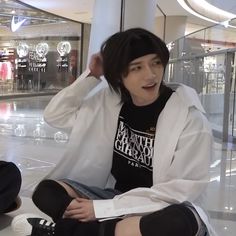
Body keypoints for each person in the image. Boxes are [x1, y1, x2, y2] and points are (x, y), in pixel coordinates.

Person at [12, 28, 216, 236]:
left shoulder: (189, 118)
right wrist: (92, 76)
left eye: (156, 62)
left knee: (177, 222)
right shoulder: (112, 102)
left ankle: (63, 232)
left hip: (159, 206)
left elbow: (179, 191)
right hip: (116, 196)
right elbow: (56, 114)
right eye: (137, 67)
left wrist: (102, 209)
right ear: (118, 75)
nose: (151, 74)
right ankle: (105, 231)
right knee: (47, 192)